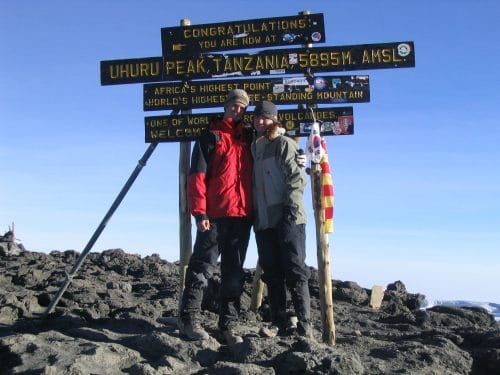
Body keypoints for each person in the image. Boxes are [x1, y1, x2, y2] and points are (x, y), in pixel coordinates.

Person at [178, 89, 253, 345]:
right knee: (201, 269)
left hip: (242, 217)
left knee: (234, 274)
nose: (238, 109)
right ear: (226, 106)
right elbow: (196, 177)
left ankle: (227, 326)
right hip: (215, 216)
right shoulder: (210, 135)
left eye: (242, 107)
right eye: (234, 105)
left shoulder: (249, 138)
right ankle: (189, 321)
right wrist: (200, 212)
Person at [251, 101, 313, 339]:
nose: (260, 121)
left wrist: (290, 209)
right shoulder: (255, 147)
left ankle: (305, 326)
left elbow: (296, 180)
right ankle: (279, 322)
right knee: (273, 272)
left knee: (295, 270)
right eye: (257, 117)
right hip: (264, 219)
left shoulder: (283, 144)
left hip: (289, 216)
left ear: (274, 119)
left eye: (265, 118)